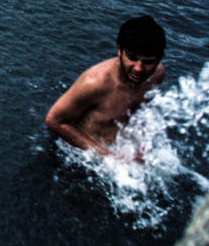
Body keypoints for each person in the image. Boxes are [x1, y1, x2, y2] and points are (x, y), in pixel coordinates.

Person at [45, 16, 167, 157]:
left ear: (160, 58)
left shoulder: (157, 75)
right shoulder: (96, 83)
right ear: (119, 50)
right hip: (79, 154)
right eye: (132, 58)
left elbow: (141, 112)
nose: (139, 68)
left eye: (148, 62)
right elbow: (53, 120)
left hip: (117, 150)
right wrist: (108, 157)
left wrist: (144, 145)